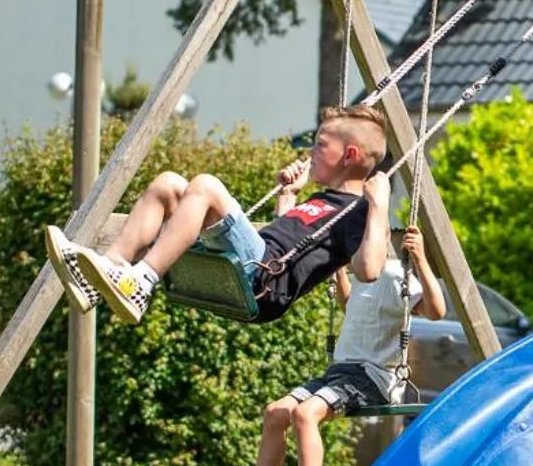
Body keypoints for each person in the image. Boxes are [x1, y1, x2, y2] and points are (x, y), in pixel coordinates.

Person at [42, 106, 390, 325]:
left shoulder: (358, 212)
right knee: (168, 185)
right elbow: (286, 239)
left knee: (206, 186)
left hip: (263, 283)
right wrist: (288, 196)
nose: (311, 152)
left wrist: (380, 206)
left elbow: (369, 270)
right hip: (259, 260)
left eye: (320, 144)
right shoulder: (322, 200)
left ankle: (141, 282)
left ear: (349, 155)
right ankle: (108, 271)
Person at [216, 224, 448, 466]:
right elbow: (352, 306)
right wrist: (338, 274)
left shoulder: (398, 275)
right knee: (276, 412)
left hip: (372, 377)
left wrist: (421, 258)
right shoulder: (358, 276)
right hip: (340, 372)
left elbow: (437, 311)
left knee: (306, 414)